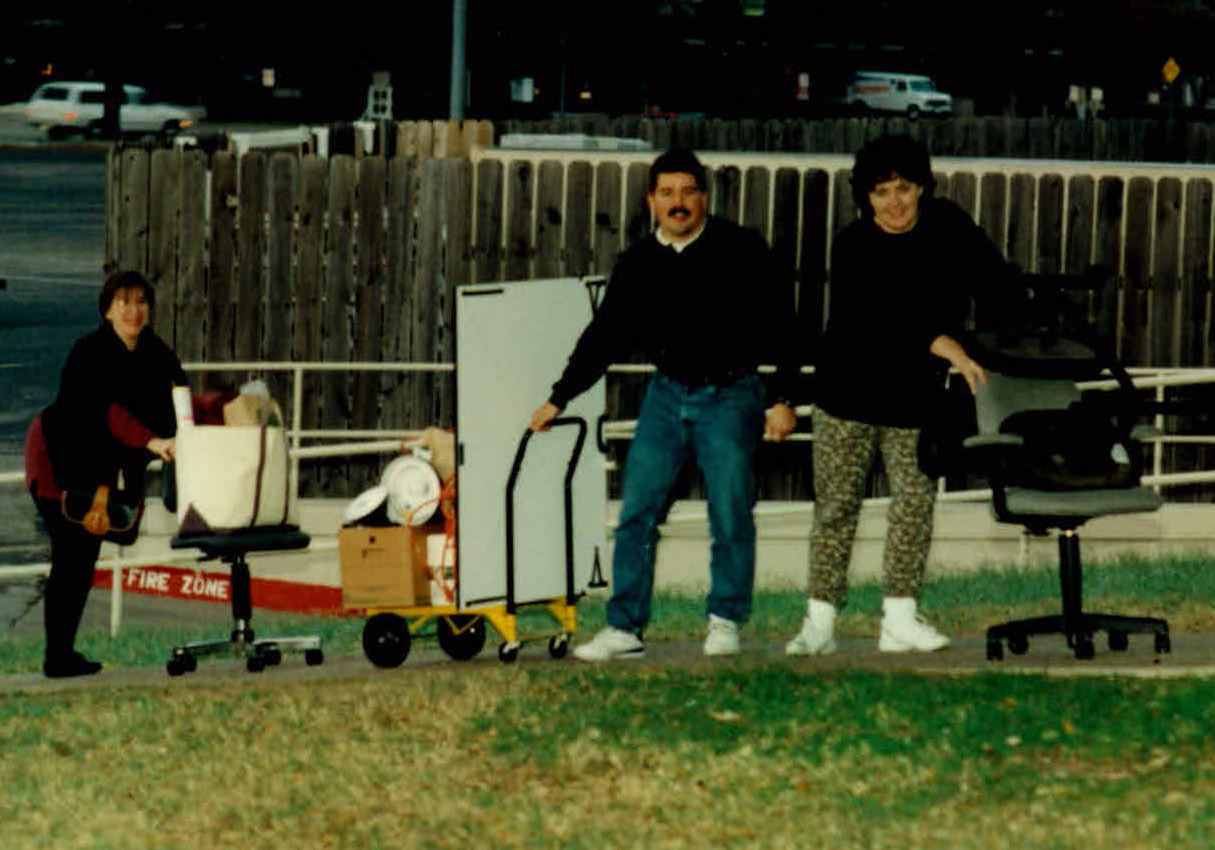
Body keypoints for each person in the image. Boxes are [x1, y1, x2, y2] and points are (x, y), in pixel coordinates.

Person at [530, 148, 800, 661]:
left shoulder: (742, 250)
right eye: (667, 194)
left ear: (704, 197)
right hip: (665, 396)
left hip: (731, 396)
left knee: (730, 514)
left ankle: (724, 621)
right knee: (636, 515)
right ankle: (624, 628)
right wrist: (559, 398)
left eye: (688, 192)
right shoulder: (637, 265)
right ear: (651, 201)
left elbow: (782, 327)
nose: (678, 204)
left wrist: (783, 399)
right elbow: (604, 337)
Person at [785, 134, 1013, 656]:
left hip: (916, 399)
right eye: (882, 191)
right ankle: (818, 624)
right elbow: (882, 316)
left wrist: (1006, 334)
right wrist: (944, 343)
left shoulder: (949, 225)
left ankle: (900, 619)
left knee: (914, 503)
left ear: (922, 188)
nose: (894, 203)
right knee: (837, 508)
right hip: (847, 394)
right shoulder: (852, 244)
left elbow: (995, 283)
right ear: (865, 197)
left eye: (904, 189)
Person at [24, 270, 185, 678]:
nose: (133, 311)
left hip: (103, 470)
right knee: (71, 556)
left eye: (141, 302)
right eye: (124, 302)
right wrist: (151, 442)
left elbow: (178, 398)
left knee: (85, 558)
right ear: (108, 310)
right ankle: (57, 657)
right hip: (57, 459)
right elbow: (107, 413)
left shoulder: (155, 353)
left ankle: (62, 654)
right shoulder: (88, 352)